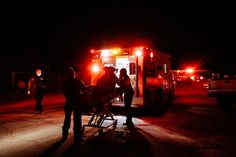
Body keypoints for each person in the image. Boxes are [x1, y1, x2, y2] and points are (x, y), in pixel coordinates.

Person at [61, 67, 87, 144]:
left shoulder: (65, 82)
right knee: (77, 120)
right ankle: (77, 137)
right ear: (74, 74)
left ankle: (65, 134)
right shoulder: (78, 81)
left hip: (68, 102)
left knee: (67, 119)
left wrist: (68, 97)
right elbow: (85, 89)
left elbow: (63, 91)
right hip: (77, 103)